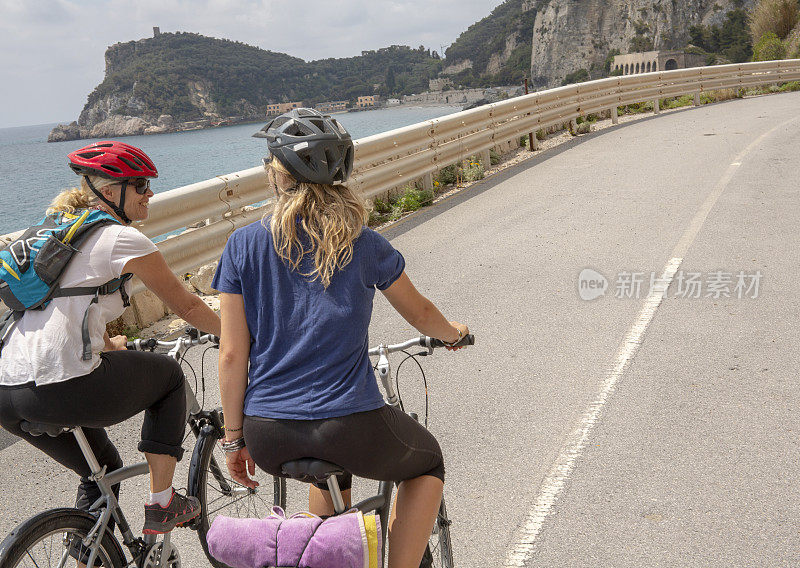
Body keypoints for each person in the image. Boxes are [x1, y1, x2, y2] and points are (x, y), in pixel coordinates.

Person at [213, 108, 469, 568]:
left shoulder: (241, 246)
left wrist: (234, 440)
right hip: (348, 425)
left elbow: (233, 354)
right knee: (427, 461)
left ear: (278, 173)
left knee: (329, 475)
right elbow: (422, 314)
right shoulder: (365, 242)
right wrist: (454, 334)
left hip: (268, 433)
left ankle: (323, 556)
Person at [0, 141, 221, 535]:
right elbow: (187, 308)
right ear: (108, 191)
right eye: (139, 184)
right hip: (60, 385)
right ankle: (163, 503)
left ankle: (89, 555)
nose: (149, 192)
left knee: (101, 475)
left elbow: (67, 312)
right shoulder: (121, 239)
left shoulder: (54, 235)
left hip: (6, 391)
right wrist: (244, 337)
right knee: (169, 377)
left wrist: (106, 346)